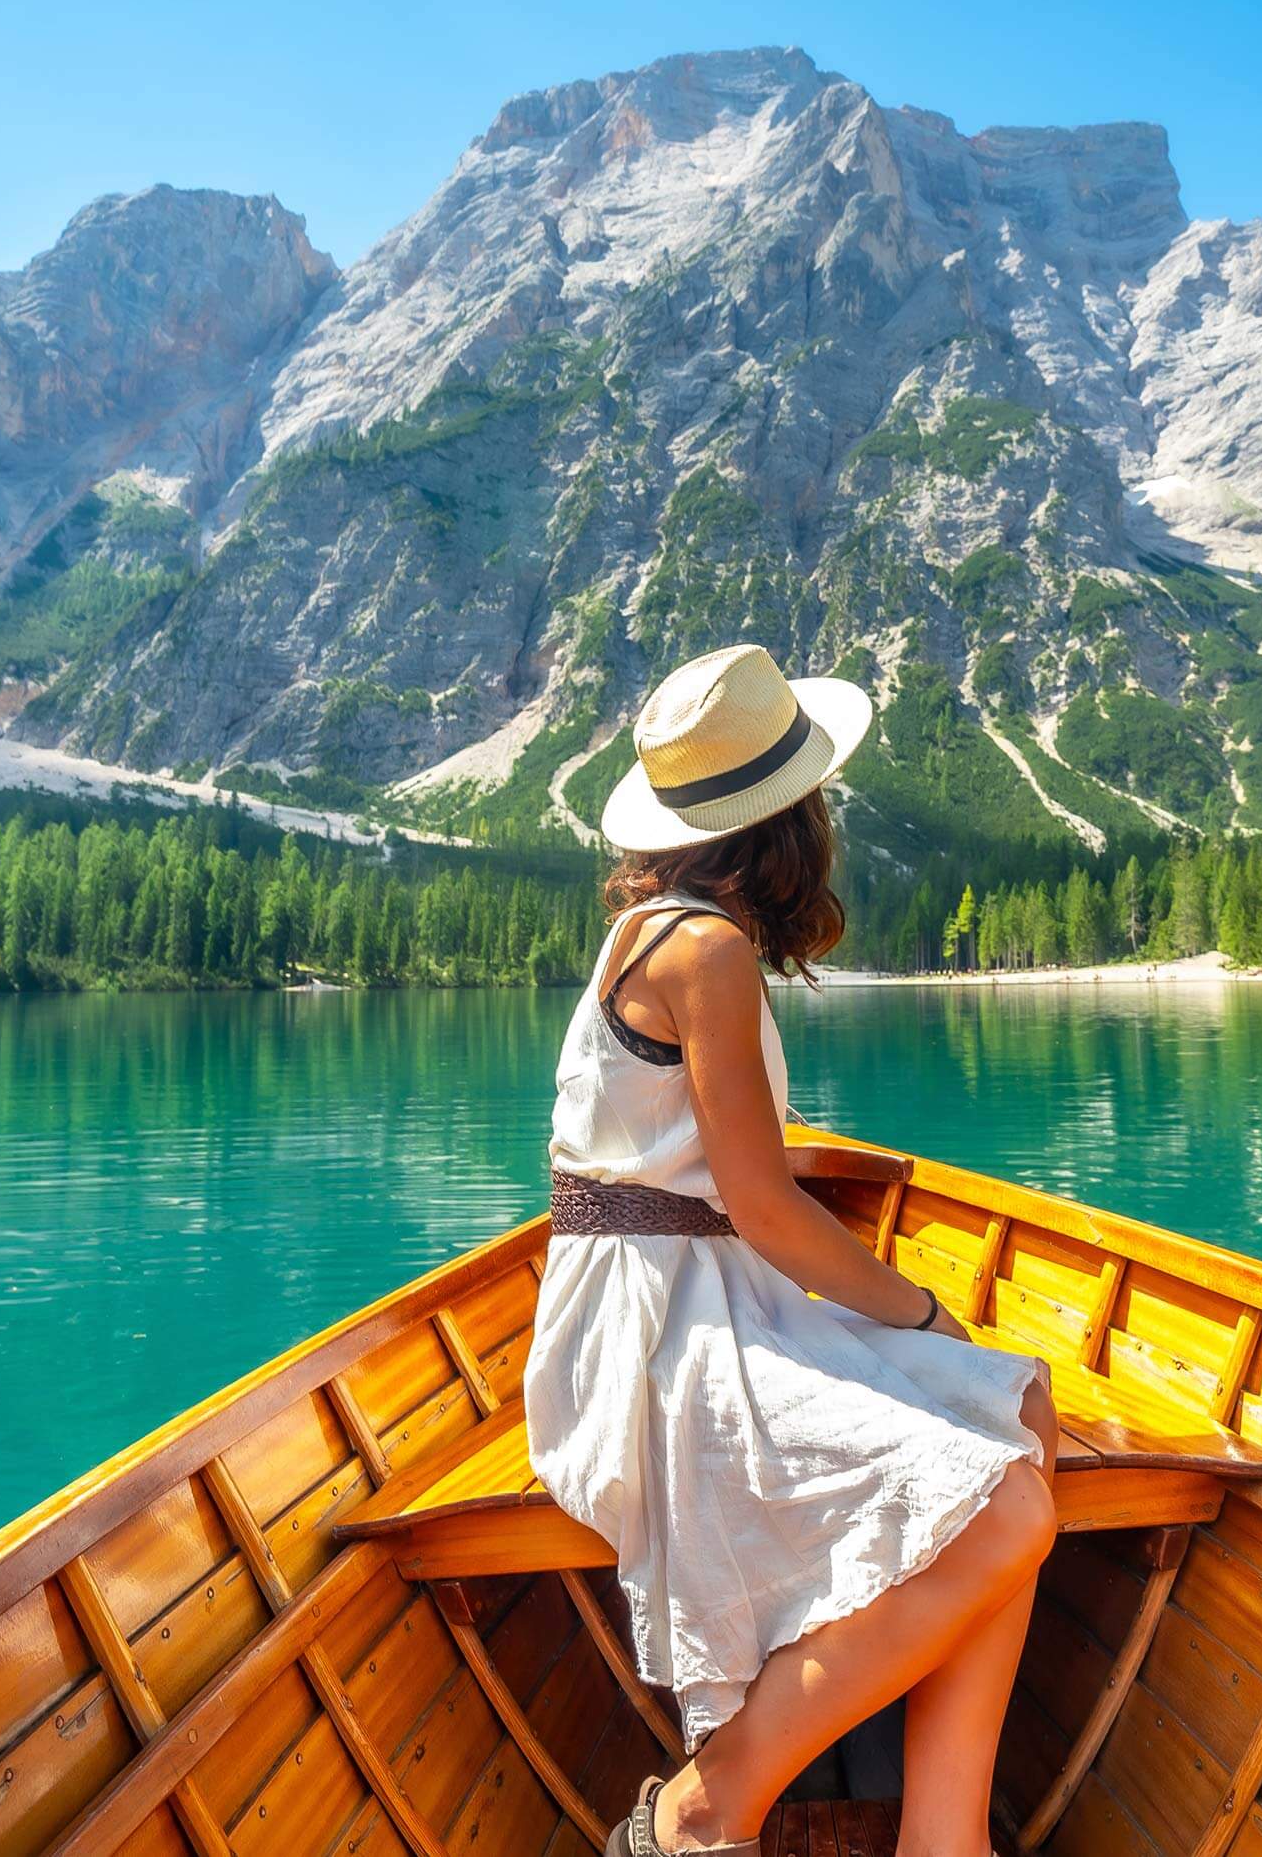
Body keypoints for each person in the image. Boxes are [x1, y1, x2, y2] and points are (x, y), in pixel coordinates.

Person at [524, 643, 1057, 1857]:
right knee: (1000, 1501)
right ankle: (704, 1809)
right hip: (660, 1332)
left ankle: (945, 1837)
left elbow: (707, 1177)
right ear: (789, 818)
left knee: (1019, 1409)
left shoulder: (659, 931)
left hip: (683, 1293)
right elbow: (763, 1210)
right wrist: (924, 1313)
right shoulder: (703, 950)